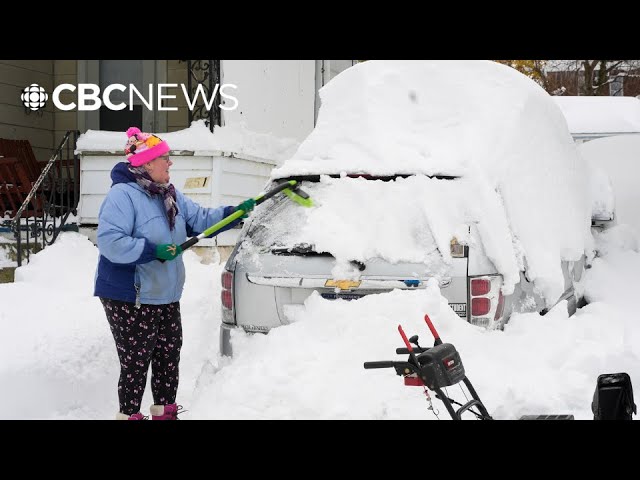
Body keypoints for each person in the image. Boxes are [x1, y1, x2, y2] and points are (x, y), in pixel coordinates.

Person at [94, 127, 255, 420]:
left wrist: (235, 213)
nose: (170, 163)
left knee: (168, 357)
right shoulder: (123, 195)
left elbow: (200, 220)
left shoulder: (168, 194)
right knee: (136, 362)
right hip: (131, 295)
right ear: (146, 163)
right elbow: (109, 241)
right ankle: (129, 415)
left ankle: (164, 413)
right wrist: (152, 250)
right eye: (165, 158)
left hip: (165, 294)